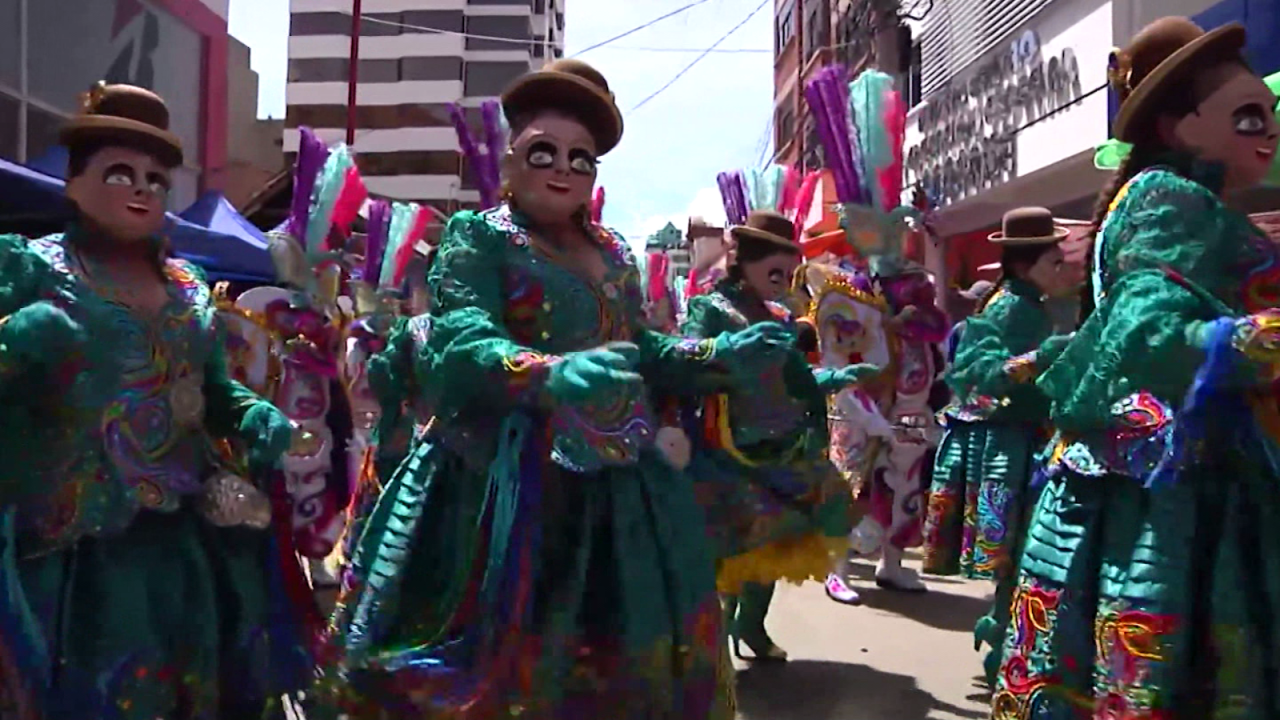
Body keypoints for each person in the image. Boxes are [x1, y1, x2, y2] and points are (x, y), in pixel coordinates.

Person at [321, 59, 795, 719]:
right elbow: (461, 341)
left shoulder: (614, 253)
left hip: (617, 486)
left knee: (621, 659)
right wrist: (546, 371)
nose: (564, 168)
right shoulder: (478, 237)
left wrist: (718, 353)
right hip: (494, 485)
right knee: (501, 663)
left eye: (582, 158)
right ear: (511, 158)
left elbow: (644, 349)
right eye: (544, 151)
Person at [990, 18, 1280, 718]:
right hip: (1170, 486)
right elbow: (1146, 330)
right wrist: (1258, 339)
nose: (1267, 131)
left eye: (1269, 114)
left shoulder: (1149, 196)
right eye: (1247, 116)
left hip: (1127, 472)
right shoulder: (1170, 197)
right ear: (1182, 127)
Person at [0, 83, 301, 718]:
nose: (142, 189)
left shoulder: (187, 286)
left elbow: (212, 389)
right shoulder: (31, 268)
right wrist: (13, 343)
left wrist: (251, 414)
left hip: (180, 532)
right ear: (74, 184)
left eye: (156, 180)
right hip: (74, 543)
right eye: (119, 173)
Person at [682, 210, 875, 660]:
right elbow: (684, 360)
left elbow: (795, 379)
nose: (783, 282)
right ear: (744, 261)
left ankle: (751, 627)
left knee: (774, 550)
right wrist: (723, 357)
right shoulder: (709, 307)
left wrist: (833, 380)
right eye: (775, 271)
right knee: (730, 555)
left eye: (789, 275)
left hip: (785, 448)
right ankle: (712, 645)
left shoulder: (779, 314)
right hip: (727, 451)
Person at [920, 207, 1076, 686]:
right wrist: (1042, 357)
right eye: (1055, 261)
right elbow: (978, 376)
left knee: (1023, 552)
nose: (1063, 269)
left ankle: (1001, 632)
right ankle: (1003, 646)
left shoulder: (1030, 303)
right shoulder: (1009, 306)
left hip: (1026, 437)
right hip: (1005, 445)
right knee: (1017, 550)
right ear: (1027, 264)